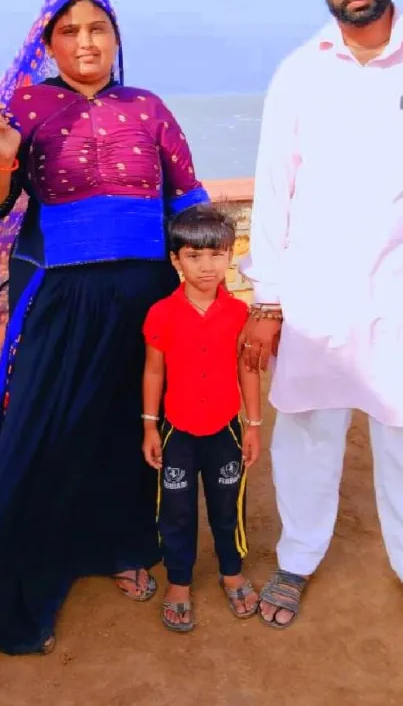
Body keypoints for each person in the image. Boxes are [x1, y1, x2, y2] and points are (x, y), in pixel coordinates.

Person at [0, 0, 209, 655]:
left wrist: (207, 284)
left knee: (130, 426)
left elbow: (189, 192)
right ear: (47, 43)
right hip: (60, 295)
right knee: (40, 428)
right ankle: (29, 568)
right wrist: (4, 155)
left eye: (98, 28)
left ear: (116, 39)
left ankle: (121, 544)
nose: (85, 42)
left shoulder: (146, 106)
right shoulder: (23, 108)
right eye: (69, 31)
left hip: (145, 293)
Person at [239, 0, 403, 628]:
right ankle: (299, 557)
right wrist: (268, 304)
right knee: (306, 431)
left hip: (396, 294)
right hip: (315, 298)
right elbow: (273, 197)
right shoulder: (297, 75)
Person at [142, 204, 261, 632]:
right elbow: (154, 370)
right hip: (177, 431)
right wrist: (150, 426)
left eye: (216, 254)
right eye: (194, 255)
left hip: (225, 430)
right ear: (176, 260)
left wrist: (253, 426)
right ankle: (178, 582)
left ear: (231, 254)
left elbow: (248, 370)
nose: (207, 266)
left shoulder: (239, 315)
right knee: (175, 510)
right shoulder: (161, 313)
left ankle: (231, 571)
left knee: (228, 506)